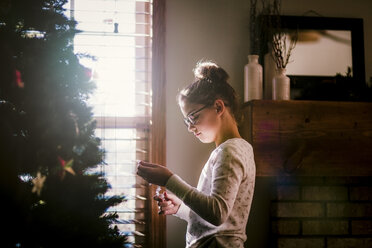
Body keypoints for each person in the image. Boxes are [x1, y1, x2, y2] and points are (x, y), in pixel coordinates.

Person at [137, 61, 256, 248]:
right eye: (187, 121)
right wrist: (181, 209)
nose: (191, 128)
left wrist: (169, 180)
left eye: (193, 117)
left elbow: (217, 213)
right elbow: (221, 219)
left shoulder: (230, 152)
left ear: (218, 108)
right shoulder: (238, 149)